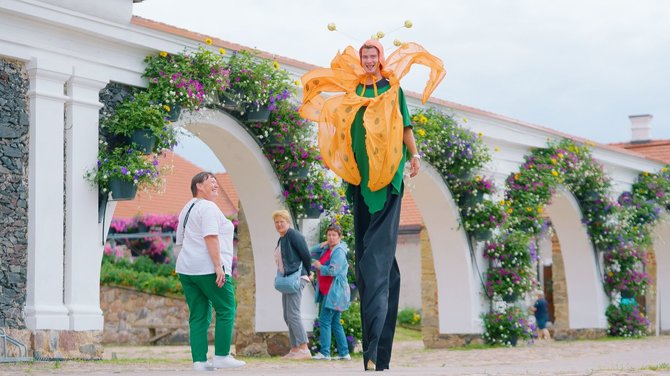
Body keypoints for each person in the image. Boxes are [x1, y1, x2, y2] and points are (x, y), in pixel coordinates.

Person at [300, 39, 445, 371]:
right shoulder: (352, 89)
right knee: (374, 263)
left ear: (380, 59)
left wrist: (415, 155)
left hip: (387, 175)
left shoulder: (392, 89)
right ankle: (378, 356)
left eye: (372, 55)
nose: (368, 60)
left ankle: (373, 353)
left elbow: (405, 125)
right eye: (364, 56)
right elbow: (339, 124)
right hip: (360, 179)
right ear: (361, 60)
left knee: (374, 264)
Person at [175, 172, 245, 371]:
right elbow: (211, 237)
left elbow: (180, 241)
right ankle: (222, 355)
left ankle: (200, 361)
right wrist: (218, 266)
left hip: (187, 269)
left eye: (216, 181)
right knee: (226, 308)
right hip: (208, 268)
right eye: (210, 181)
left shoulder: (186, 208)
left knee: (198, 314)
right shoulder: (208, 207)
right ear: (198, 185)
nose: (215, 184)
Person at [272, 209, 312, 359]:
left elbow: (306, 254)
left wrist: (308, 272)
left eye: (282, 221)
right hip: (287, 279)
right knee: (287, 315)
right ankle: (295, 349)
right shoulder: (282, 238)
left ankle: (304, 348)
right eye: (276, 222)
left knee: (293, 314)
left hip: (297, 278)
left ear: (288, 222)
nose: (279, 224)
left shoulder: (294, 235)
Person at [310, 224, 352, 361]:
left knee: (324, 320)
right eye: (329, 235)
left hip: (334, 292)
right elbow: (309, 252)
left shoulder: (339, 251)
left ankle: (325, 353)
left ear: (340, 237)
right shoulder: (329, 248)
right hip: (327, 290)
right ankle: (344, 353)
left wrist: (319, 266)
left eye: (334, 235)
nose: (331, 238)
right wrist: (322, 244)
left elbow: (333, 270)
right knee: (335, 322)